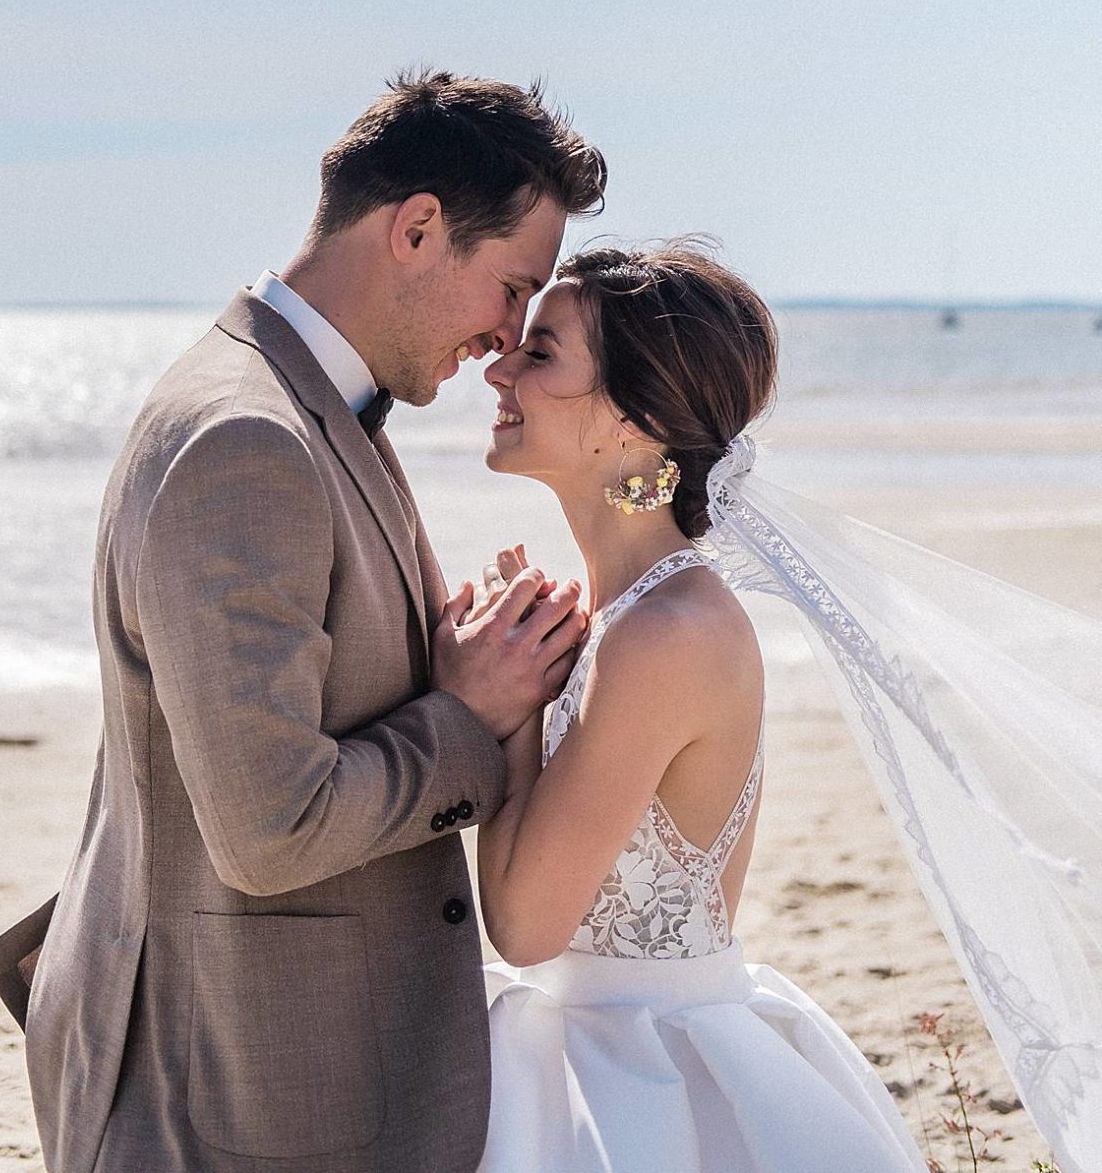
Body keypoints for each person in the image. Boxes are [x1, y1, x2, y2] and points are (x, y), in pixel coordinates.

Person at [0, 70, 606, 1173]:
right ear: (418, 229)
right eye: (512, 288)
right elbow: (269, 828)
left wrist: (433, 661)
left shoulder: (300, 401)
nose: (506, 339)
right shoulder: (247, 437)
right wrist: (464, 714)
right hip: (234, 1094)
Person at [465, 240, 1101, 1173]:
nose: (499, 365)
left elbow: (525, 928)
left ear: (634, 420)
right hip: (591, 1043)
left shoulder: (666, 635)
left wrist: (505, 707)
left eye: (543, 352)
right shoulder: (622, 615)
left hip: (642, 1085)